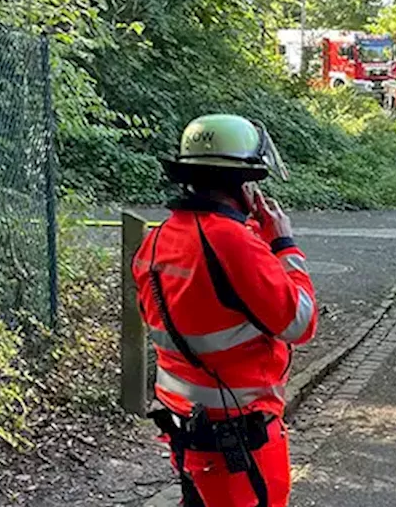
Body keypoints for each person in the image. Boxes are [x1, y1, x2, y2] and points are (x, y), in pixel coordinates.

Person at [132, 114, 317, 507]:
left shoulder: (158, 240)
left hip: (186, 426)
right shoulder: (234, 244)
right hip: (241, 435)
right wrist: (283, 244)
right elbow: (300, 322)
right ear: (245, 185)